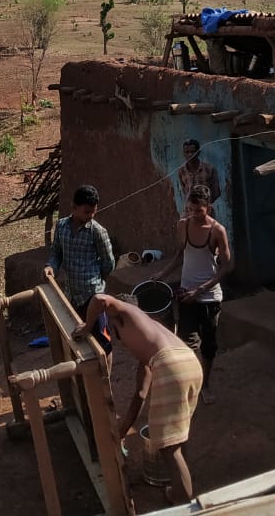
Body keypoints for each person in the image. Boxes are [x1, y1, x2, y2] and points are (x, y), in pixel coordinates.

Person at [74, 293, 202, 505]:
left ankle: (183, 504)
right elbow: (140, 395)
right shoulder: (148, 336)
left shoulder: (125, 311)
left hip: (170, 366)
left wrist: (87, 327)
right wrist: (121, 433)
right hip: (189, 363)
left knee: (169, 449)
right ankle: (180, 486)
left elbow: (99, 299)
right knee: (178, 436)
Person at [153, 185, 232, 402]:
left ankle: (205, 386)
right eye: (190, 210)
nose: (193, 215)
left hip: (209, 298)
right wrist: (162, 273)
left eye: (198, 211)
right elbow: (180, 254)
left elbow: (227, 267)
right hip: (186, 295)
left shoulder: (218, 231)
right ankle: (189, 385)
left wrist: (200, 290)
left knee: (209, 345)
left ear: (209, 208)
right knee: (186, 344)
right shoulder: (183, 225)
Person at [44, 184, 116, 318]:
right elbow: (56, 252)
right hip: (70, 294)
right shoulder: (61, 226)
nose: (91, 215)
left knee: (95, 334)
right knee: (73, 329)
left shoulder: (97, 232)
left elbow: (108, 263)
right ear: (74, 208)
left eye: (94, 211)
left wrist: (95, 279)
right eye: (87, 212)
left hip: (92, 295)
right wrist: (51, 266)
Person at [177, 139, 220, 208]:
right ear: (183, 153)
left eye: (193, 152)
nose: (190, 155)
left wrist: (204, 204)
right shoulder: (181, 171)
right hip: (189, 211)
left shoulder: (209, 169)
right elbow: (184, 191)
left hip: (206, 210)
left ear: (198, 153)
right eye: (187, 152)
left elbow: (216, 192)